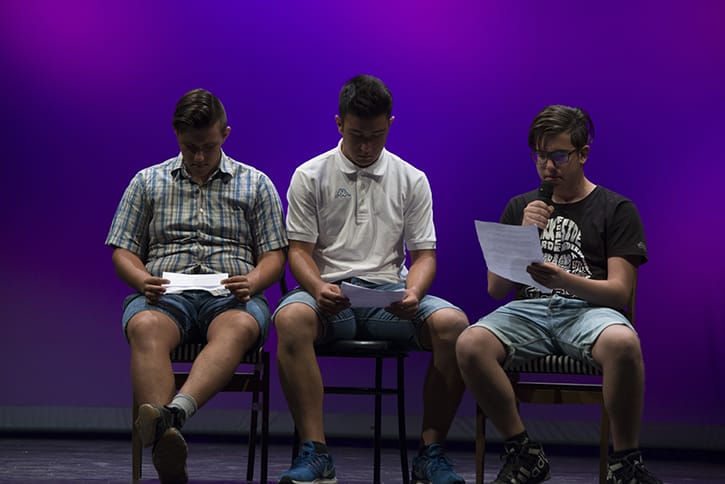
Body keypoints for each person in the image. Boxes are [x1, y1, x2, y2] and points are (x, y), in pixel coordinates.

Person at [273, 74, 469, 484]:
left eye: (376, 136)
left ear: (390, 125)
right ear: (339, 123)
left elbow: (424, 256)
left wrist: (414, 292)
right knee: (289, 318)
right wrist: (317, 288)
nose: (366, 147)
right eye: (357, 135)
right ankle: (316, 451)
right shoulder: (310, 175)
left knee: (455, 326)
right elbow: (299, 252)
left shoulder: (411, 179)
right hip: (329, 297)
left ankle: (431, 452)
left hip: (389, 298)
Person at [455, 105, 662, 484]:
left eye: (559, 156)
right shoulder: (520, 207)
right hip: (529, 312)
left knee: (623, 343)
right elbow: (496, 289)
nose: (548, 166)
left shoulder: (615, 209)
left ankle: (625, 463)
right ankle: (524, 451)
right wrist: (523, 233)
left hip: (588, 310)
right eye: (540, 155)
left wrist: (564, 280)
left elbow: (619, 293)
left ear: (583, 154)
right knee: (470, 343)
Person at [105, 88, 287, 484]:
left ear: (225, 134)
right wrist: (141, 279)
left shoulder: (256, 184)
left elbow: (274, 256)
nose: (199, 157)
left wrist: (253, 280)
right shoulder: (147, 182)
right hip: (165, 294)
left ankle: (171, 418)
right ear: (176, 136)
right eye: (190, 147)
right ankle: (167, 437)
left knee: (238, 327)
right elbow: (123, 251)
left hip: (230, 296)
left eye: (208, 146)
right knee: (144, 326)